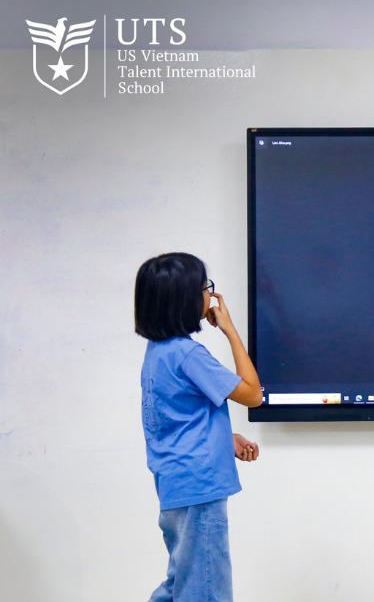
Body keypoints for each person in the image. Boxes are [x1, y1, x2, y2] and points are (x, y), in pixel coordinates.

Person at [134, 252, 263, 602]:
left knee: (181, 582)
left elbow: (173, 418)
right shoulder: (189, 355)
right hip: (200, 488)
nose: (211, 295)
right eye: (206, 287)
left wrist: (223, 437)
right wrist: (230, 330)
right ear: (185, 300)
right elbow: (253, 394)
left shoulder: (158, 351)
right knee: (206, 590)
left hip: (175, 485)